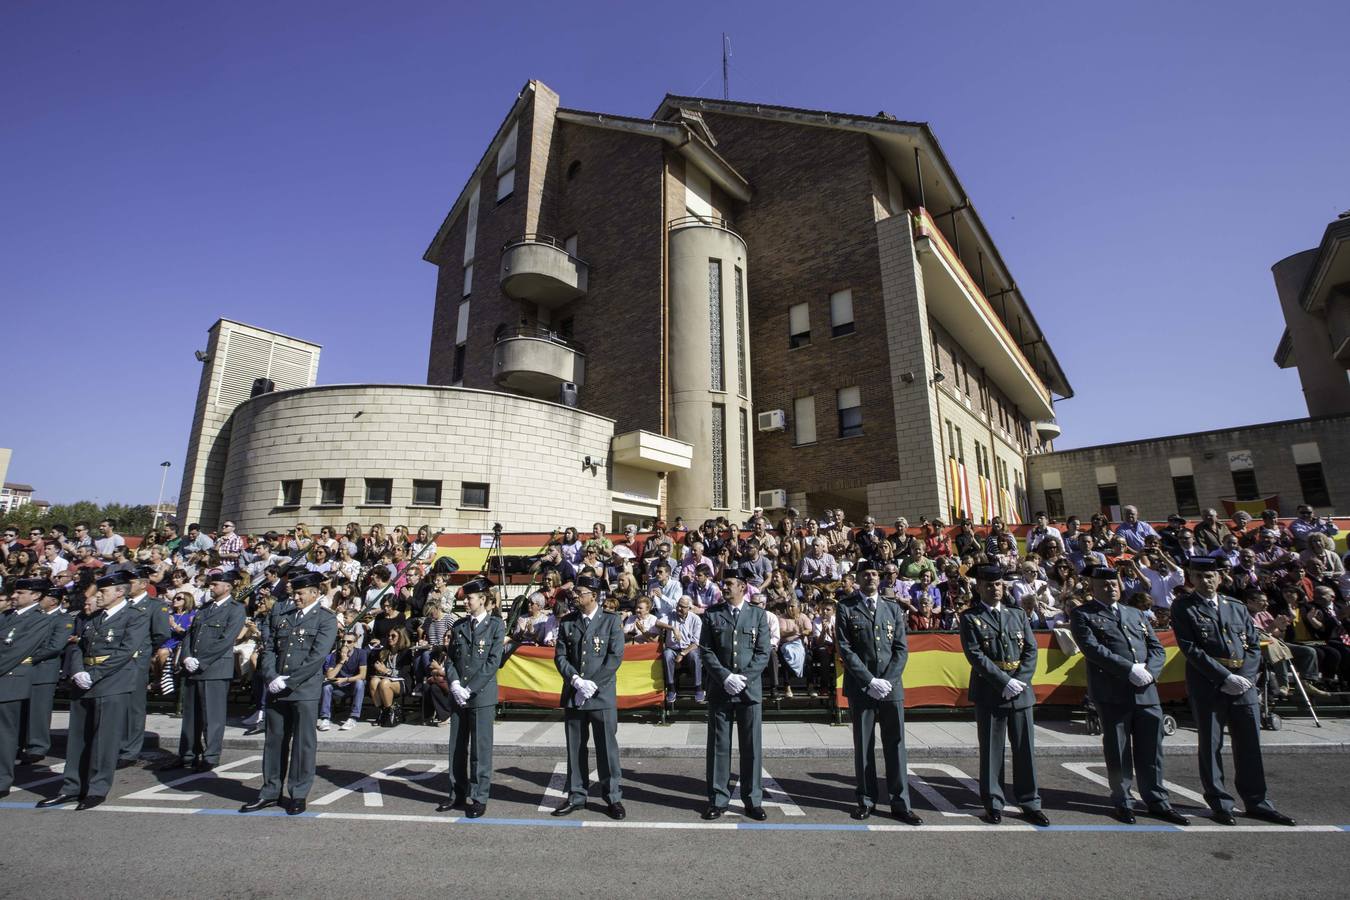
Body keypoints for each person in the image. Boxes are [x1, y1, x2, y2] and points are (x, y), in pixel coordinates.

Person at [1171, 557, 1295, 826]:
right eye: (1200, 576)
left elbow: (1253, 644)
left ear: (1219, 577)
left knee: (1249, 744)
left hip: (1243, 684)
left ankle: (1258, 801)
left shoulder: (1236, 607)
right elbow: (1191, 648)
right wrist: (1224, 677)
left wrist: (1243, 677)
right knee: (1211, 744)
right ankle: (1220, 803)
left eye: (1211, 575)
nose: (1207, 580)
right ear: (1190, 578)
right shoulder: (1183, 607)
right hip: (1209, 683)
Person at [1069, 566, 1188, 826]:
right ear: (1093, 588)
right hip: (1113, 691)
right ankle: (1123, 799)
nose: (1111, 588)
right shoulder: (1083, 614)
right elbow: (1091, 648)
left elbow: (1156, 647)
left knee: (1151, 749)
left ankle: (1157, 800)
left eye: (1114, 584)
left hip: (1146, 690)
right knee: (1118, 748)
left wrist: (1150, 672)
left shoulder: (1135, 613)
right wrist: (1128, 669)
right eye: (1104, 585)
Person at [37, 570, 150, 810]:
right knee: (77, 738)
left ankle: (96, 789)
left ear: (120, 592)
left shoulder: (135, 616)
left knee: (104, 740)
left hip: (112, 681)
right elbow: (78, 644)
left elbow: (126, 651)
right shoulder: (93, 617)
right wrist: (78, 670)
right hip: (84, 680)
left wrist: (94, 674)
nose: (98, 596)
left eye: (104, 591)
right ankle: (71, 787)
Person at [241, 571, 338, 816]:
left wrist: (289, 681)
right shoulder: (283, 615)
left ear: (315, 593)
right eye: (294, 592)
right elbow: (270, 646)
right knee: (274, 741)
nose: (295, 597)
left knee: (303, 744)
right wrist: (272, 676)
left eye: (300, 593)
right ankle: (270, 791)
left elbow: (317, 657)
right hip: (277, 687)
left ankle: (298, 792)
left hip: (303, 690)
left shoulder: (325, 619)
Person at [958, 565, 1048, 826]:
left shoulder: (1017, 615)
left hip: (1020, 690)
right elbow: (975, 655)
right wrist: (1003, 682)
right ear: (978, 588)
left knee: (1025, 750)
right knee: (991, 750)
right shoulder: (970, 618)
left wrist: (1019, 681)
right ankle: (994, 802)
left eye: (998, 584)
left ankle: (1030, 802)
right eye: (988, 585)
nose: (994, 588)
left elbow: (1031, 651)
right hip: (990, 690)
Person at [836, 563, 922, 824]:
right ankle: (866, 799)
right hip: (862, 687)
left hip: (890, 687)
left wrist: (887, 680)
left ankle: (900, 803)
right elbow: (845, 648)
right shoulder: (846, 607)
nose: (870, 577)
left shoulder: (892, 607)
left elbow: (900, 649)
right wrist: (869, 680)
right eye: (865, 574)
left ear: (880, 578)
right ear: (857, 578)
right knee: (864, 746)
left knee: (896, 746)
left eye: (874, 573)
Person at [698, 565, 771, 820]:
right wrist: (725, 677)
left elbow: (763, 652)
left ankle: (753, 800)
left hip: (749, 690)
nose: (724, 586)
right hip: (721, 688)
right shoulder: (712, 615)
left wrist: (744, 678)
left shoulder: (758, 615)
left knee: (751, 746)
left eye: (729, 583)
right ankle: (718, 799)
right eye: (723, 583)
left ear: (742, 587)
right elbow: (706, 650)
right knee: (719, 745)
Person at [550, 575, 626, 820]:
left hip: (601, 695)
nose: (575, 596)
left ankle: (612, 797)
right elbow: (560, 656)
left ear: (593, 595)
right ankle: (577, 795)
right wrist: (576, 680)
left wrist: (593, 684)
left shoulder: (611, 621)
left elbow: (615, 657)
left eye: (580, 592)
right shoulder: (568, 622)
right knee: (575, 748)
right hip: (575, 694)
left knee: (606, 749)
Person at [164, 571, 246, 772]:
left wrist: (200, 661)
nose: (211, 587)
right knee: (191, 716)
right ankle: (188, 754)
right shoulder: (204, 608)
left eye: (215, 584)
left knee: (213, 716)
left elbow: (226, 640)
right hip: (193, 666)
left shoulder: (235, 609)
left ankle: (211, 755)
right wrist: (187, 656)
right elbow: (191, 635)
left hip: (215, 668)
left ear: (227, 587)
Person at [437, 576, 504, 818]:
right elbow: (451, 659)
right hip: (458, 694)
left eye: (470, 598)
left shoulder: (496, 625)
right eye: (465, 599)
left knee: (480, 749)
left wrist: (470, 688)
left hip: (481, 695)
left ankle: (478, 796)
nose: (466, 602)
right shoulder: (459, 626)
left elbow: (493, 661)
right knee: (456, 747)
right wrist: (454, 683)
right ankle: (456, 793)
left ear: (483, 599)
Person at [1, 578, 67, 799]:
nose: (14, 596)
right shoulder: (7, 616)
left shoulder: (39, 620)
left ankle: (2, 779)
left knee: (5, 734)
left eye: (20, 592)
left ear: (36, 596)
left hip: (10, 680)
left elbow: (15, 651)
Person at [120, 565, 173, 765]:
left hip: (136, 661)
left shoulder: (154, 606)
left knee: (133, 707)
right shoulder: (121, 604)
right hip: (115, 662)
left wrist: (144, 652)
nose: (126, 586)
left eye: (131, 582)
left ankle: (129, 750)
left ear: (143, 584)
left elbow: (161, 634)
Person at [18, 583, 75, 764]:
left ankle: (37, 746)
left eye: (42, 598)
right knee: (20, 710)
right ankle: (18, 744)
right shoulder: (33, 617)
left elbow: (55, 646)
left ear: (52, 600)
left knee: (38, 711)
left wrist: (24, 657)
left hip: (43, 671)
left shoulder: (62, 619)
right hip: (23, 671)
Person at [657, 596, 703, 704]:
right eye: (678, 605)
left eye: (683, 607)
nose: (679, 609)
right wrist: (672, 628)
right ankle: (671, 688)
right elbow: (657, 622)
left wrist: (682, 653)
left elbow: (696, 643)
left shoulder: (695, 619)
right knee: (667, 655)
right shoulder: (671, 614)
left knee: (695, 656)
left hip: (688, 649)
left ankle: (698, 687)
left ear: (689, 608)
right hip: (673, 648)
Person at [319, 633, 368, 731]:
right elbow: (330, 676)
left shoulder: (361, 653)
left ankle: (353, 718)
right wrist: (342, 661)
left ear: (354, 643)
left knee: (360, 682)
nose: (345, 644)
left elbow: (362, 675)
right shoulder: (335, 654)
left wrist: (345, 679)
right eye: (343, 641)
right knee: (326, 686)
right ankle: (325, 718)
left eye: (349, 642)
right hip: (339, 686)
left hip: (352, 685)